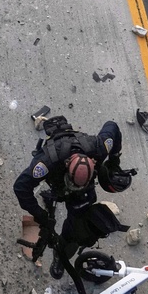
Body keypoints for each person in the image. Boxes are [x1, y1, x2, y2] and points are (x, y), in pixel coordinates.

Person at [14, 116, 132, 282]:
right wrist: (40, 215)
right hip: (58, 184)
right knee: (51, 221)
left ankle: (61, 256)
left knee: (76, 230)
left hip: (83, 194)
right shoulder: (47, 162)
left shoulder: (97, 147)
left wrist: (114, 160)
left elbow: (112, 126)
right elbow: (20, 187)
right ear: (67, 167)